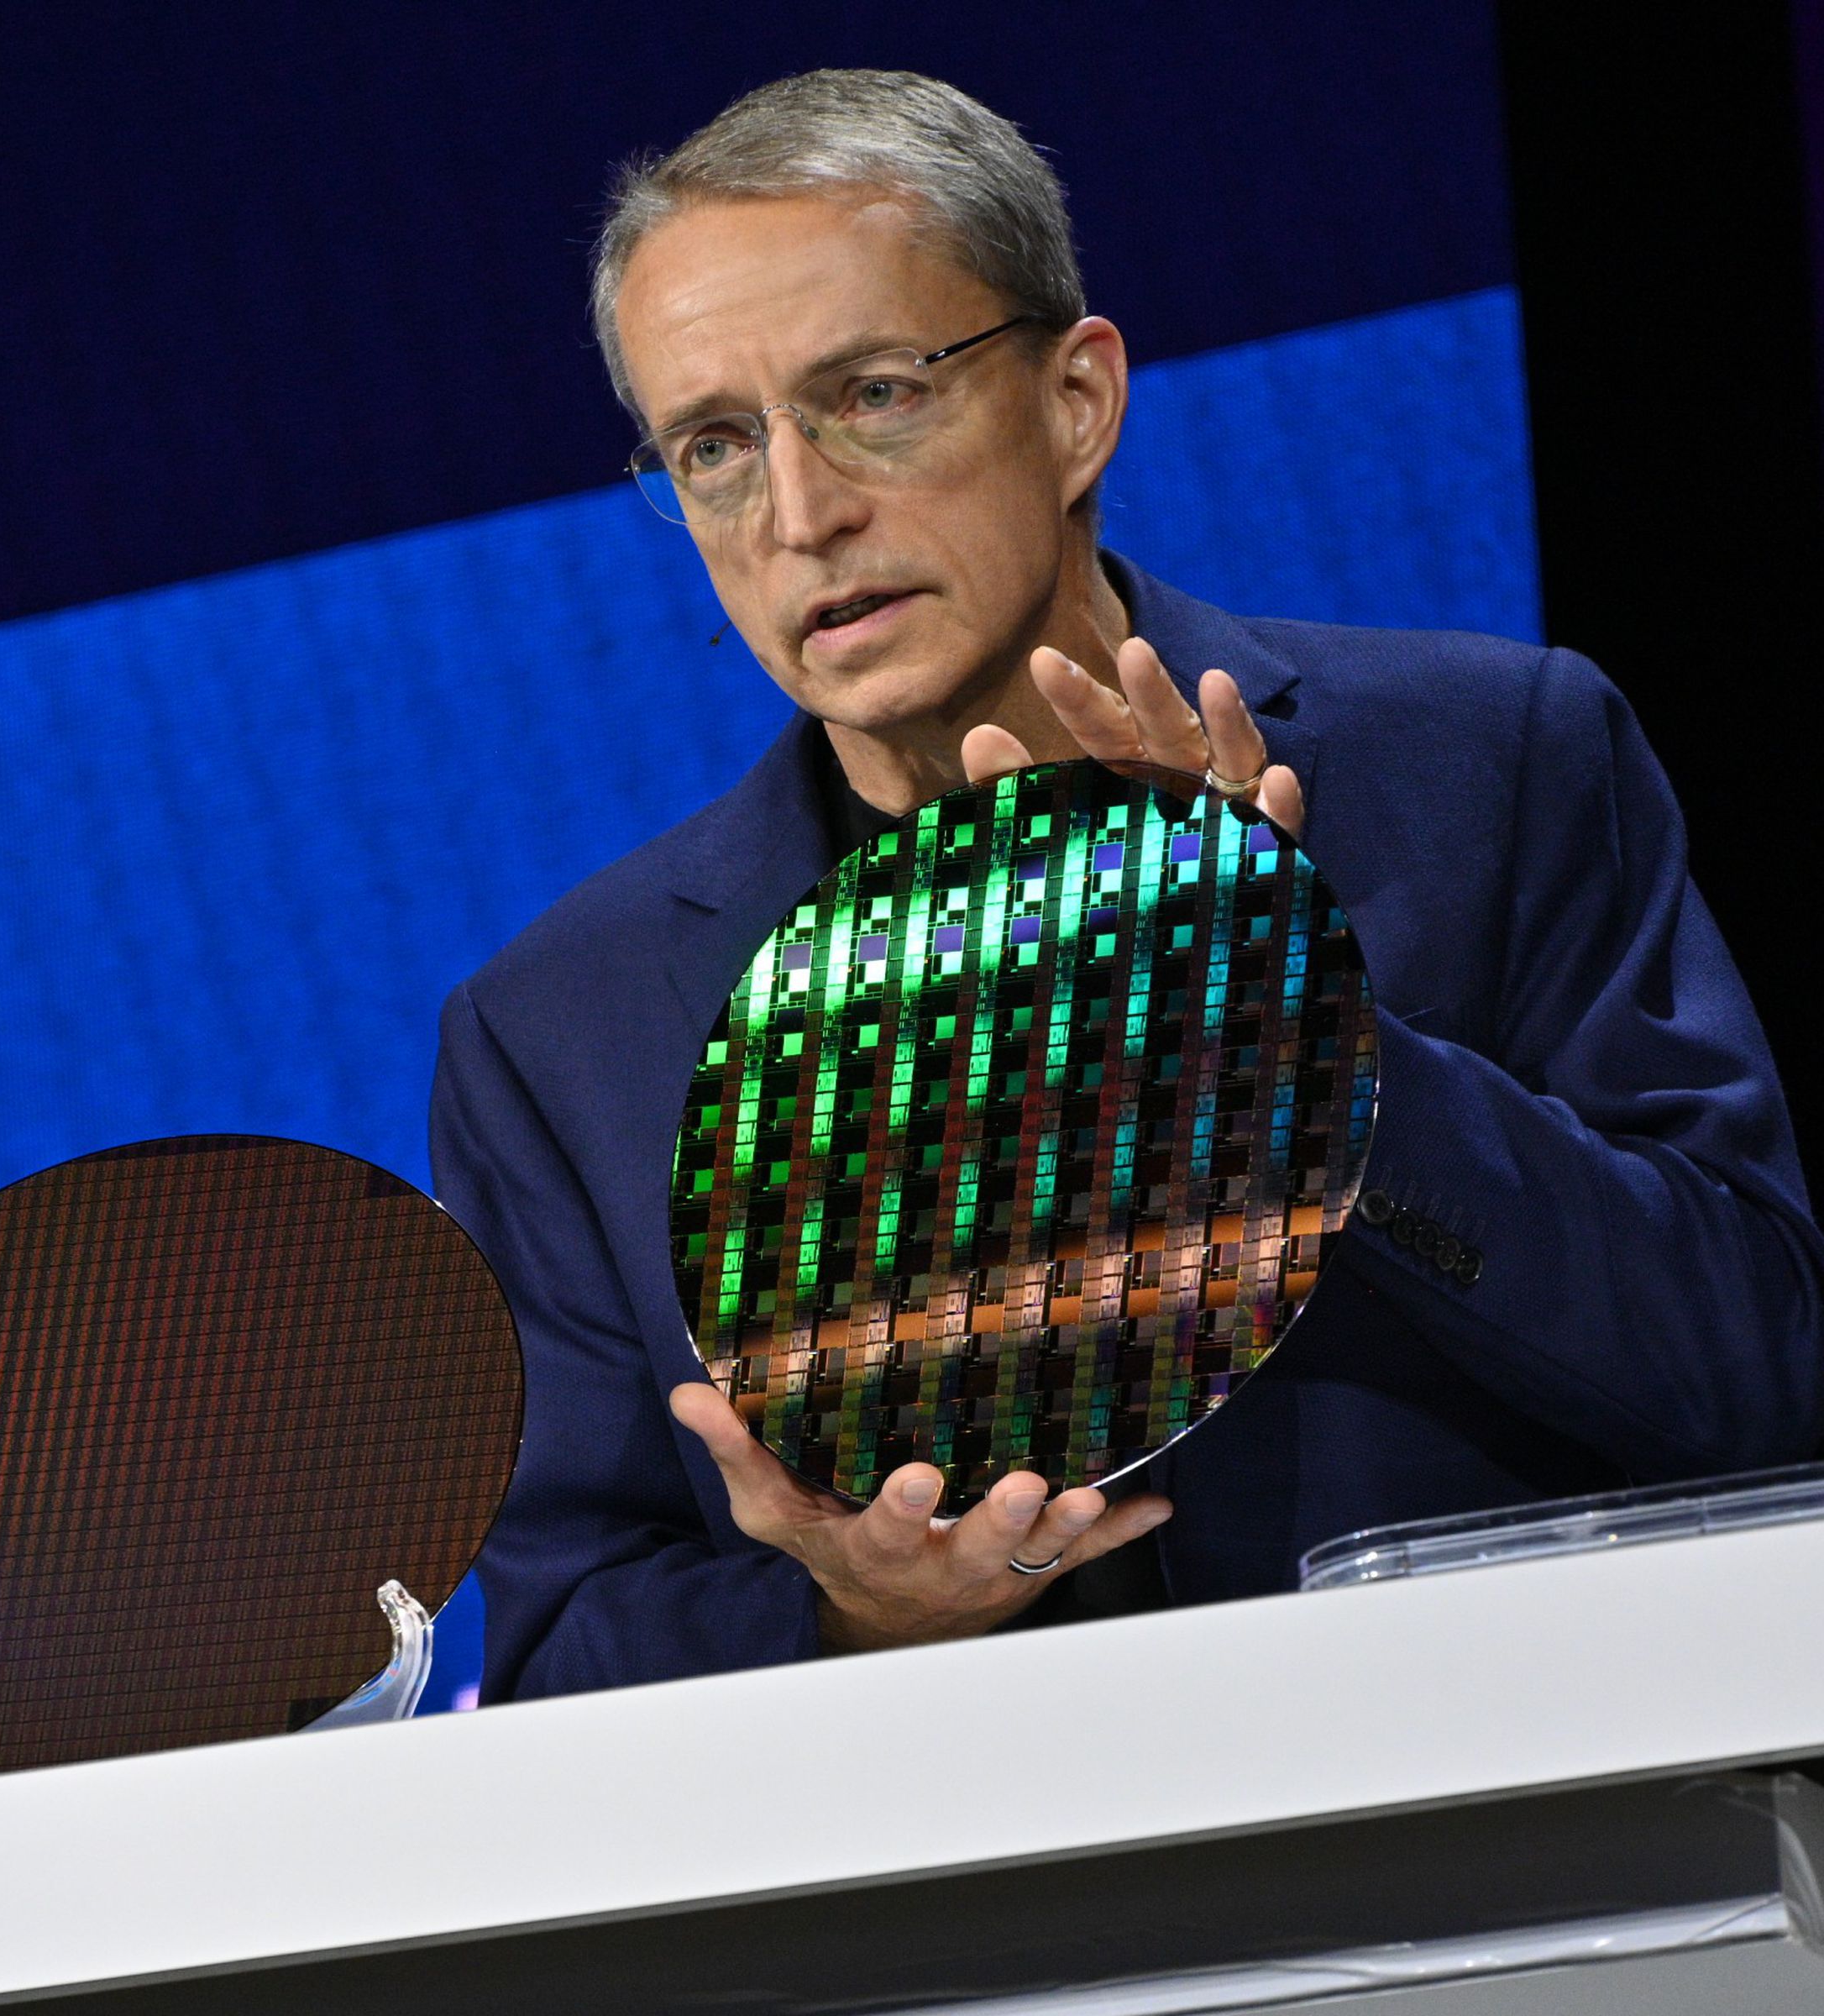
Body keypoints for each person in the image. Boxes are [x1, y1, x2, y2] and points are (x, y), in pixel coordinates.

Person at [430, 70, 1824, 1703]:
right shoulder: (560, 1031)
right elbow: (561, 1649)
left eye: (874, 393)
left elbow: (1762, 1373)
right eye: (716, 446)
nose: (800, 513)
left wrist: (1305, 1029)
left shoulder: (1493, 758)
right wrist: (860, 1615)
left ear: (1078, 400)